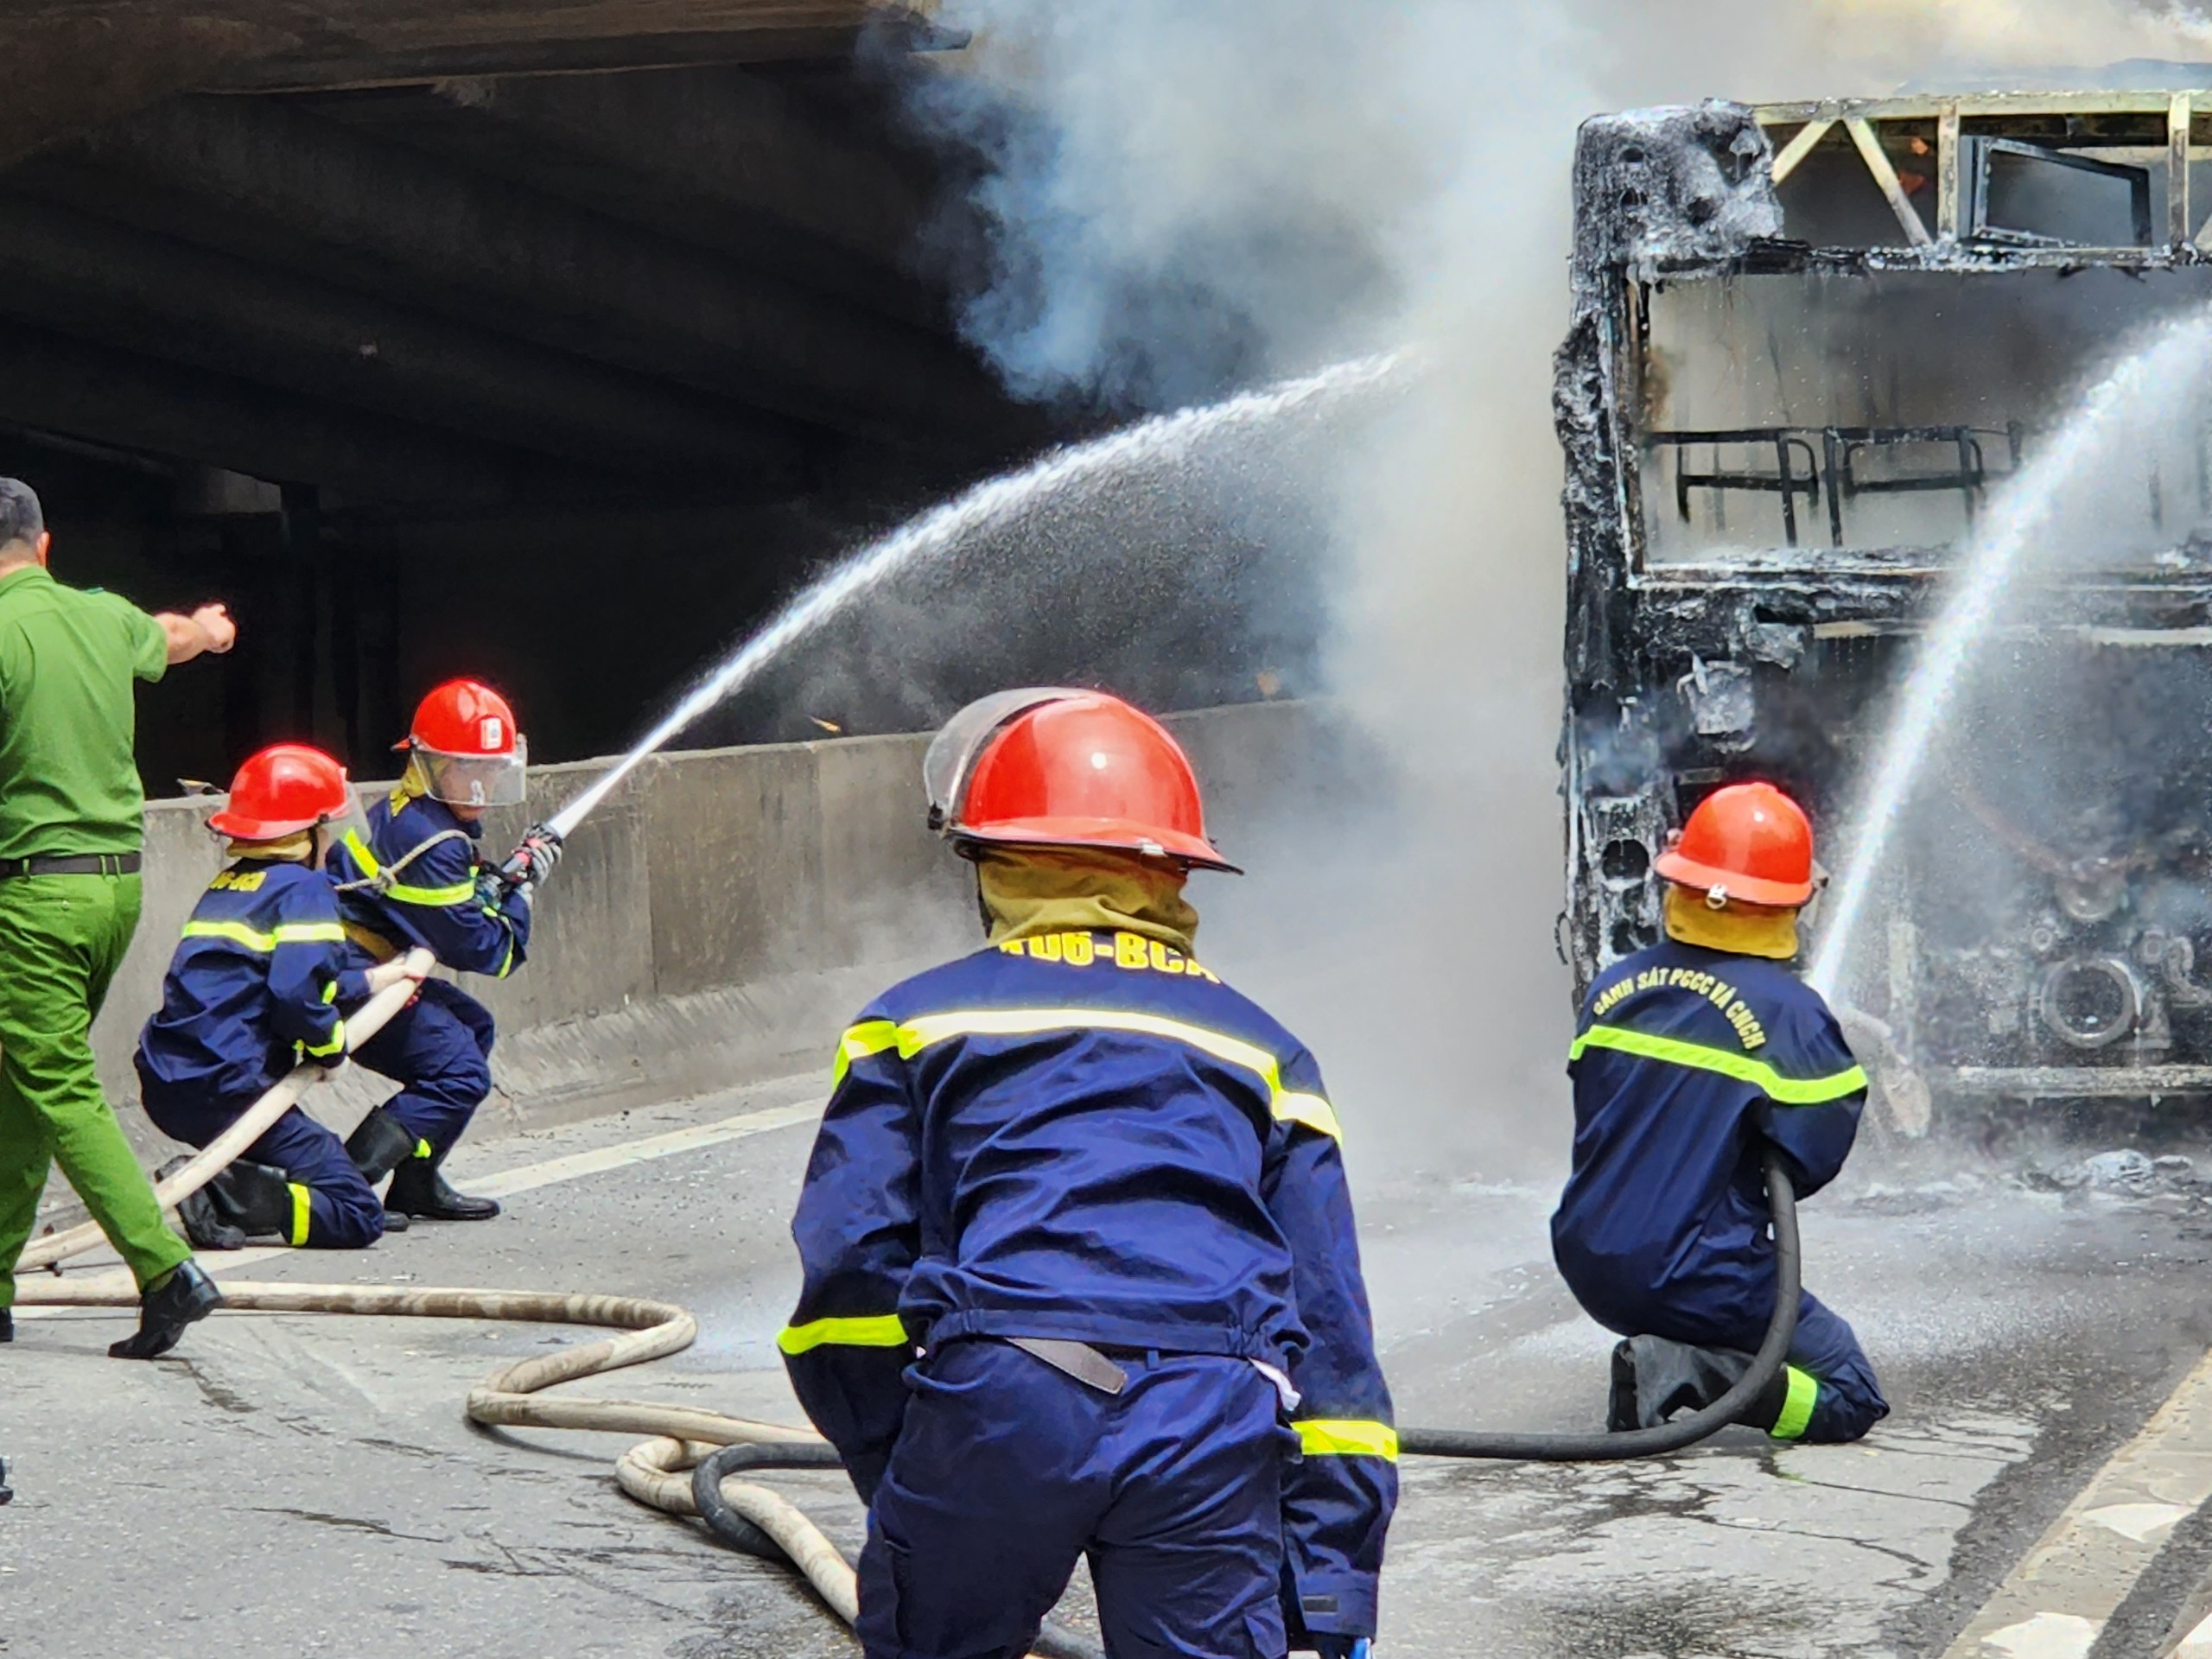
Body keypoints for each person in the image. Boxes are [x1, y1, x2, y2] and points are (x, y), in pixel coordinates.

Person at [781, 688, 1395, 1659]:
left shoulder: (909, 1023)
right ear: (1172, 876)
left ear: (991, 864)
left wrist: (903, 1456)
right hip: (1211, 1411)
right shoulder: (1268, 1054)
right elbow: (1329, 1332)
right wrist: (1331, 1587)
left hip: (995, 1392)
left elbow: (849, 1279)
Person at [1552, 780, 1889, 1445]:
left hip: (1587, 1257)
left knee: (1689, 1285)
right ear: (1787, 904)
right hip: (1698, 1275)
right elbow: (1814, 1153)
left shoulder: (1615, 985)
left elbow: (1603, 1108)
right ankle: (1690, 1373)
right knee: (1850, 1395)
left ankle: (1671, 1352)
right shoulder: (1788, 1013)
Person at [0, 476, 238, 1359]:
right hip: (116, 891)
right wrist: (211, 632)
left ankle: (166, 1268)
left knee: (55, 1083)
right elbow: (171, 638)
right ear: (46, 545)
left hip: (34, 893)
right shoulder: (99, 616)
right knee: (24, 1081)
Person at [136, 745, 429, 1251]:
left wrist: (381, 979)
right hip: (231, 1086)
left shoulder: (231, 885)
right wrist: (329, 1048)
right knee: (357, 1213)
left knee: (320, 1164)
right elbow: (295, 995)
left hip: (173, 1081)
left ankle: (224, 1183)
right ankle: (225, 1192)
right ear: (308, 832)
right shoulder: (304, 890)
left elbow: (275, 980)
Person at [327, 678, 559, 1222]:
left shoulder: (421, 816)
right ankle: (344, 1186)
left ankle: (416, 1179)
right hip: (350, 978)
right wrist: (522, 893)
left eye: (493, 768)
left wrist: (499, 880)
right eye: (469, 768)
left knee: (473, 1029)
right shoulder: (431, 840)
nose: (484, 783)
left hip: (366, 964)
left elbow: (452, 906)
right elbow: (487, 951)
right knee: (462, 1074)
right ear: (428, 764)